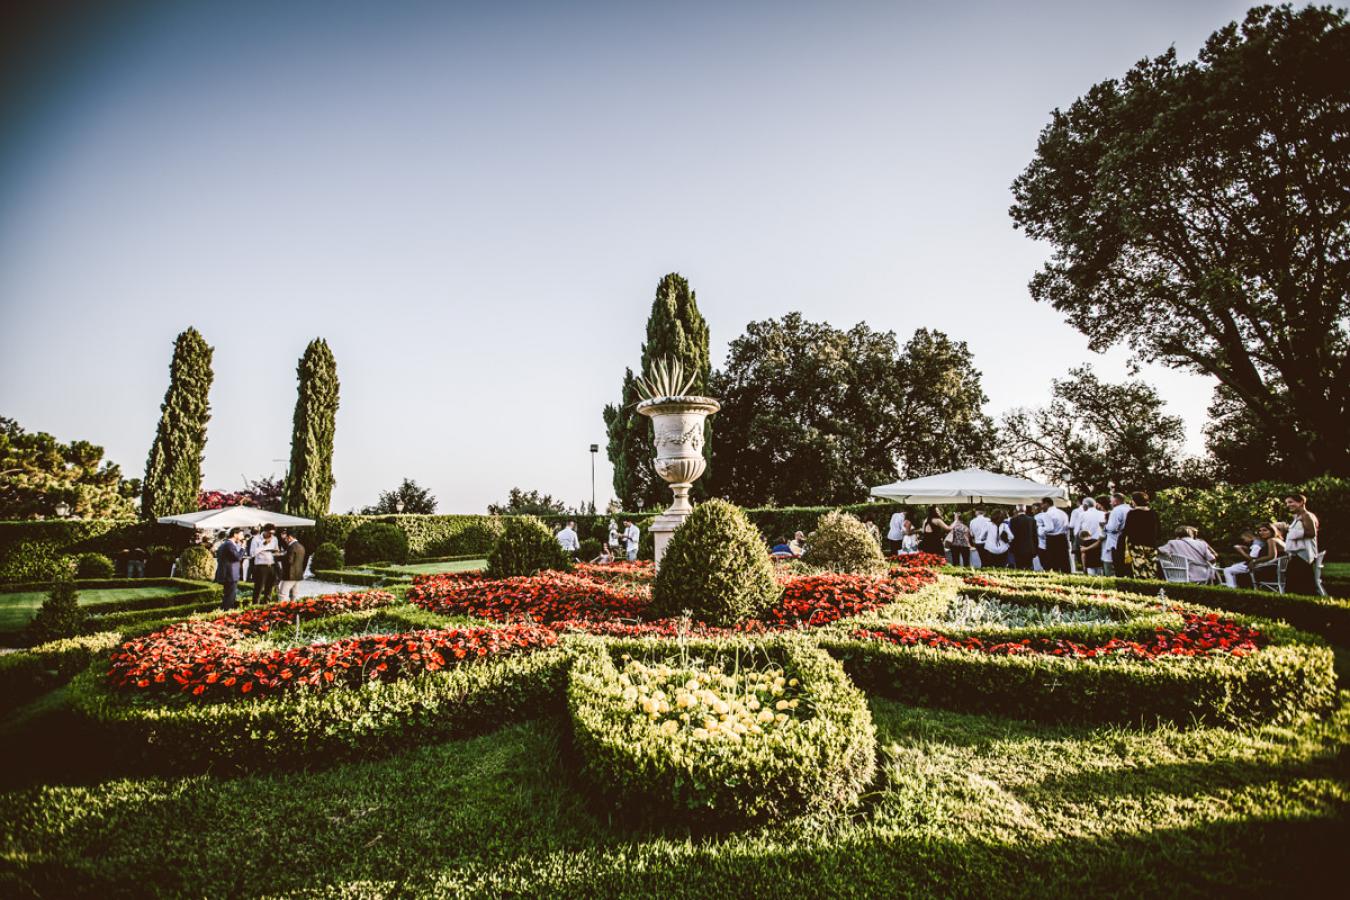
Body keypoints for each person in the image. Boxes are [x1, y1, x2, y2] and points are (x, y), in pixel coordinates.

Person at [1284, 494, 1324, 595]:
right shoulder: (1300, 516)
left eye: (1291, 502)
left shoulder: (1307, 515)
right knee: (1294, 587)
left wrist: (1291, 533)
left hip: (1303, 556)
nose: (1288, 505)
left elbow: (1311, 533)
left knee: (1300, 588)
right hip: (1298, 556)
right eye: (1287, 503)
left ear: (1301, 502)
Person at [1122, 491, 1160, 579]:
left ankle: (1141, 588)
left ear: (1135, 501)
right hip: (1151, 544)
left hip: (1136, 545)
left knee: (1139, 569)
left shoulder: (1132, 513)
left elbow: (1127, 530)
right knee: (1151, 569)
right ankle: (1152, 587)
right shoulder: (1153, 513)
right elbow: (1159, 532)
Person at [214, 528, 246, 611]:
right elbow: (238, 557)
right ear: (235, 534)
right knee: (229, 597)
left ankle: (226, 612)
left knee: (229, 596)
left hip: (228, 574)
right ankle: (227, 613)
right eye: (241, 534)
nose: (242, 536)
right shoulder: (229, 544)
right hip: (230, 575)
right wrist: (243, 548)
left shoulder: (226, 544)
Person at [1038, 498, 1071, 573]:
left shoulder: (1047, 514)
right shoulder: (1063, 513)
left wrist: (1041, 529)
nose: (1041, 507)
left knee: (1052, 562)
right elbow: (1067, 527)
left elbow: (1049, 528)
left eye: (1042, 504)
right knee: (1064, 561)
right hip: (1063, 538)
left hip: (1052, 539)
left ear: (1046, 504)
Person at [248, 526, 280, 605]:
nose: (271, 535)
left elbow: (276, 550)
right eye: (270, 533)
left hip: (272, 565)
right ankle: (255, 607)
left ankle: (266, 606)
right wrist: (263, 545)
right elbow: (252, 553)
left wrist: (277, 552)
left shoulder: (274, 539)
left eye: (273, 533)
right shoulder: (256, 539)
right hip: (261, 566)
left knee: (269, 588)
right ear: (265, 531)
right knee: (258, 588)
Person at [1102, 493, 1131, 577]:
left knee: (1118, 567)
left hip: (1116, 541)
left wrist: (1105, 527)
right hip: (1128, 540)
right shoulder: (1130, 508)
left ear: (1115, 501)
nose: (1110, 503)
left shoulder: (1116, 510)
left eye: (1111, 501)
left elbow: (1112, 527)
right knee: (1127, 567)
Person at [275, 529, 307, 601]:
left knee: (282, 594)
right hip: (298, 575)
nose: (285, 540)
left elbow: (289, 560)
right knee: (294, 596)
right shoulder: (301, 546)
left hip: (289, 575)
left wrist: (277, 557)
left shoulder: (291, 547)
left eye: (285, 538)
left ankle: (280, 610)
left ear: (290, 537)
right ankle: (293, 611)